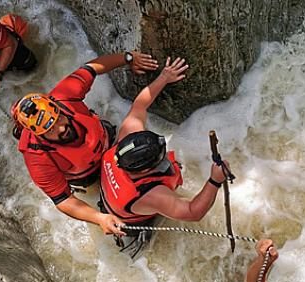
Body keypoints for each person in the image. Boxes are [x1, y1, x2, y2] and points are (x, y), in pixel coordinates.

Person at [10, 51, 159, 236]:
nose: (61, 129)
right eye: (50, 131)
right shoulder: (37, 157)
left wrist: (129, 58)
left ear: (57, 108)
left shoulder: (64, 96)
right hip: (88, 174)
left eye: (58, 119)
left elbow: (91, 68)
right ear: (39, 135)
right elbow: (63, 200)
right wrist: (99, 218)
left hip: (107, 140)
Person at [98, 57, 233, 256]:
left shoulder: (124, 143)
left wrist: (164, 77)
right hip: (131, 220)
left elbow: (139, 106)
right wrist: (215, 180)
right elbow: (192, 213)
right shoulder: (151, 194)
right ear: (145, 170)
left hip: (113, 198)